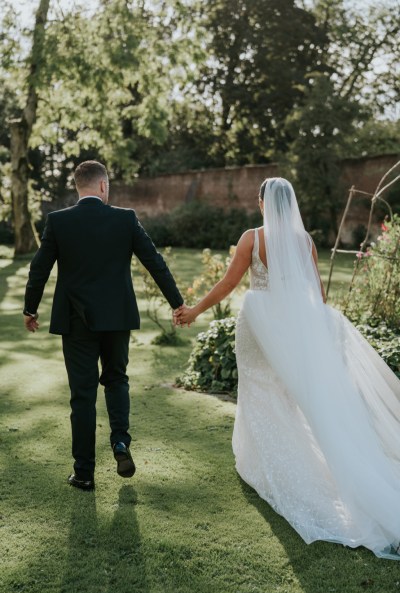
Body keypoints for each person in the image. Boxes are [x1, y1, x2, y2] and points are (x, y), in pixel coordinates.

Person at [175, 177, 400, 560]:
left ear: (264, 203)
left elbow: (230, 282)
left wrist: (194, 310)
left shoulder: (253, 238)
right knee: (283, 393)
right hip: (292, 327)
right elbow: (318, 295)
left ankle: (269, 464)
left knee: (258, 389)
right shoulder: (305, 242)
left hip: (259, 322)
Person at [23, 160, 184, 491]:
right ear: (102, 186)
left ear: (78, 187)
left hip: (75, 322)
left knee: (82, 396)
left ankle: (83, 473)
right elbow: (155, 261)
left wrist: (30, 309)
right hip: (117, 319)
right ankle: (120, 442)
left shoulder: (59, 221)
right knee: (116, 380)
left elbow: (39, 269)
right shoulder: (125, 219)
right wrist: (177, 303)